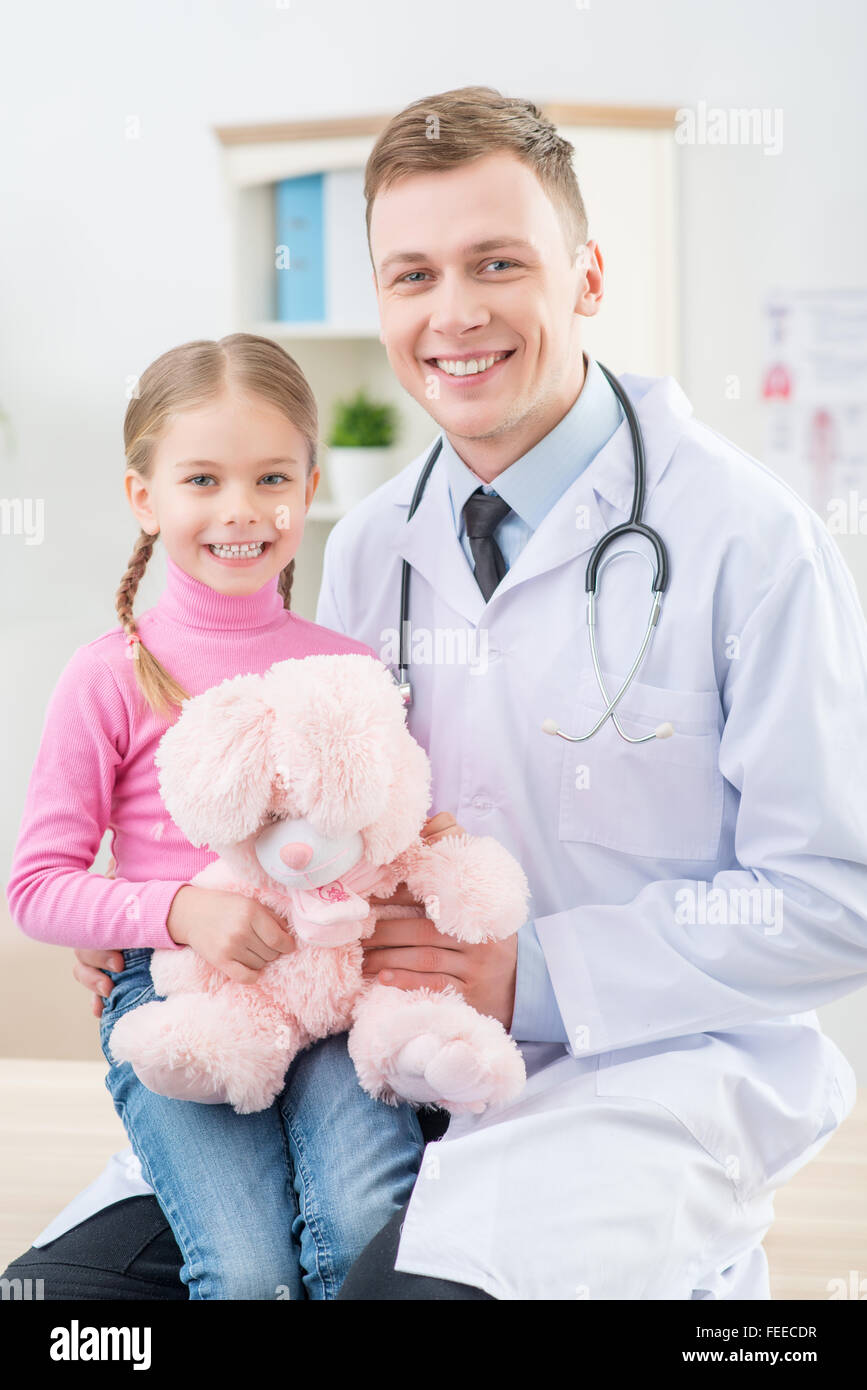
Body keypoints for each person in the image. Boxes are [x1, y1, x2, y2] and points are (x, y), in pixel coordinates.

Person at [7, 84, 867, 1300]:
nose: (452, 314)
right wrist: (159, 919)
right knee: (67, 1313)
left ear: (587, 276)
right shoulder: (365, 546)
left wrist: (540, 976)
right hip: (350, 1064)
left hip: (642, 1081)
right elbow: (293, 815)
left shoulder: (749, 542)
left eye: (497, 262)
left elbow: (838, 899)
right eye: (411, 275)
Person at [3, 332, 437, 1300]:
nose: (240, 510)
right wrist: (177, 914)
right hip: (181, 999)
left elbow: (390, 833)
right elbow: (37, 889)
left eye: (271, 477)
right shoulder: (106, 674)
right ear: (144, 498)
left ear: (310, 484)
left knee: (367, 1224)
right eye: (202, 478)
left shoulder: (347, 668)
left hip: (331, 992)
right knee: (245, 1271)